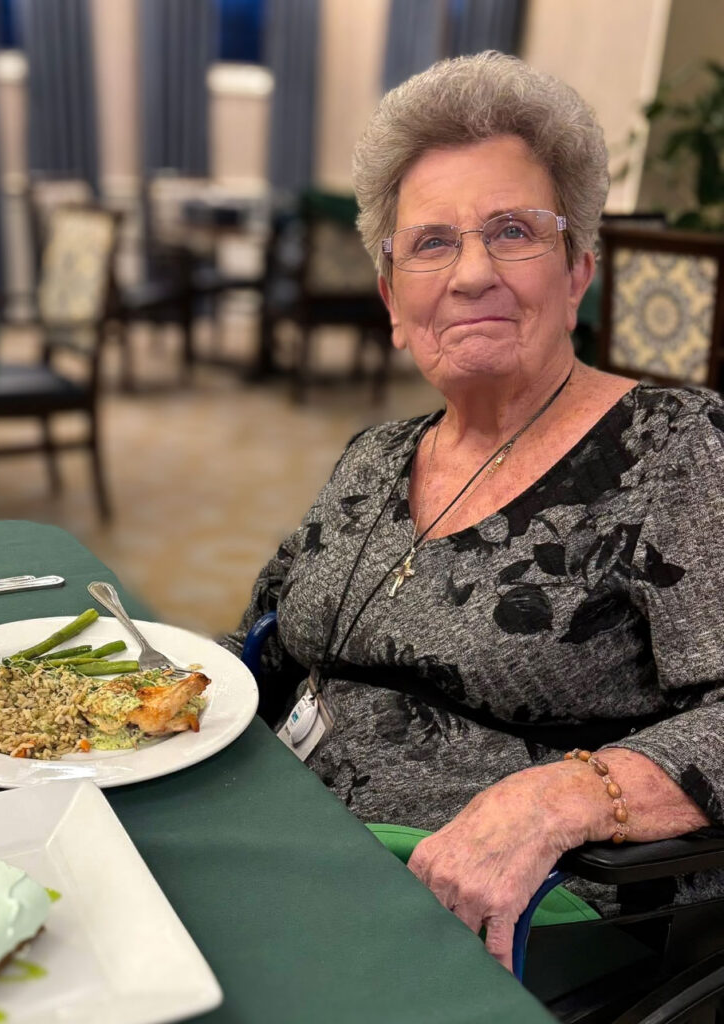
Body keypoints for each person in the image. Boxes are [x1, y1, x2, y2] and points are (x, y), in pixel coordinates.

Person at [221, 51, 724, 970]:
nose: (471, 274)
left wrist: (556, 801)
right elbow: (259, 648)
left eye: (513, 231)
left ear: (578, 270)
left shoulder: (676, 449)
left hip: (504, 917)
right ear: (392, 300)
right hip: (286, 849)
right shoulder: (376, 456)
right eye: (433, 243)